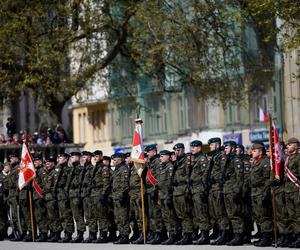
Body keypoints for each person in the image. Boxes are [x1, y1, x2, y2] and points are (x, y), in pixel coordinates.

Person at [207, 137, 230, 245]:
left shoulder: (221, 156)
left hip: (219, 187)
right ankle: (220, 233)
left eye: (211, 145)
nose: (210, 147)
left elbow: (223, 171)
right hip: (213, 187)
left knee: (221, 212)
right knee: (216, 213)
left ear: (216, 145)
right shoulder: (215, 156)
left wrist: (217, 180)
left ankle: (224, 234)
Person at [250, 142, 272, 247]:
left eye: (254, 151)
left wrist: (266, 194)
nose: (252, 152)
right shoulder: (255, 162)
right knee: (258, 216)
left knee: (264, 216)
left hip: (261, 192)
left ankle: (267, 238)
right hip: (255, 192)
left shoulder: (265, 162)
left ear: (260, 151)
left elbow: (267, 180)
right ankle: (263, 236)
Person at [189, 140, 210, 245]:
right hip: (194, 190)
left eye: (194, 147)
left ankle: (205, 235)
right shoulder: (195, 159)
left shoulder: (202, 159)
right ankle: (201, 234)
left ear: (199, 148)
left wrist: (204, 189)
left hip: (200, 189)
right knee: (197, 214)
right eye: (191, 147)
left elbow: (205, 175)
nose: (192, 148)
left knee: (202, 213)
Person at [172, 143, 193, 245]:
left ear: (183, 150)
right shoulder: (177, 162)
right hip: (176, 191)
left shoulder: (186, 161)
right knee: (179, 215)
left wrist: (178, 179)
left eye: (179, 150)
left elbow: (189, 176)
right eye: (176, 150)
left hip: (183, 190)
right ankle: (183, 234)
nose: (177, 152)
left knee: (185, 214)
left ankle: (188, 235)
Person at [284, 137, 300, 247]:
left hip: (296, 189)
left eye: (289, 144)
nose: (287, 146)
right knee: (292, 216)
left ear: (295, 145)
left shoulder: (298, 158)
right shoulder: (288, 158)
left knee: (298, 215)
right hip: (288, 190)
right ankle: (296, 235)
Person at [111, 153, 130, 244]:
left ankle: (125, 236)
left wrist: (122, 195)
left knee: (123, 217)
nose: (113, 162)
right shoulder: (117, 169)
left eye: (115, 160)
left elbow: (125, 184)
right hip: (116, 196)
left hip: (121, 197)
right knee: (118, 217)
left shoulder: (123, 169)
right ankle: (121, 234)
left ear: (120, 160)